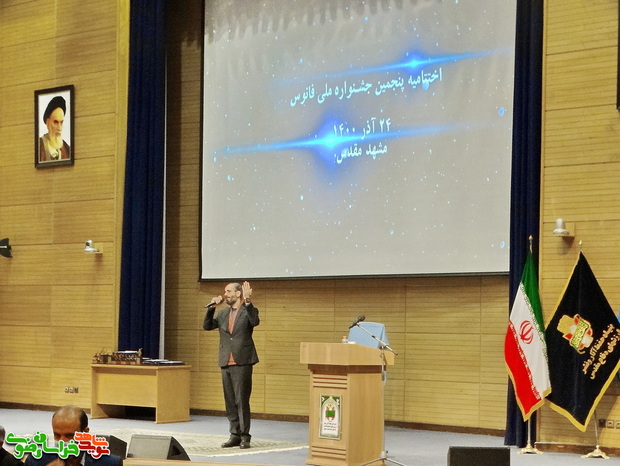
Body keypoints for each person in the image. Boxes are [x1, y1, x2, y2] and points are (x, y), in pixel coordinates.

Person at [203, 281, 259, 449]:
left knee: (242, 400)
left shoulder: (248, 310)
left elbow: (254, 321)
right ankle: (234, 434)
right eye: (225, 291)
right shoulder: (222, 313)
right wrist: (211, 308)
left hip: (242, 361)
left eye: (228, 291)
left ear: (238, 293)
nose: (225, 294)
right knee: (230, 401)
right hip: (225, 360)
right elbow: (207, 326)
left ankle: (245, 436)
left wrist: (248, 301)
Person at [25, 405, 122, 466]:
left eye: (69, 436)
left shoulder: (110, 463)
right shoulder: (36, 461)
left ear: (85, 433)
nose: (62, 441)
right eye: (57, 435)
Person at [39, 96, 71, 162]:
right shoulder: (38, 146)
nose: (59, 128)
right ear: (48, 122)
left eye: (61, 122)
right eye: (56, 122)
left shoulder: (67, 150)